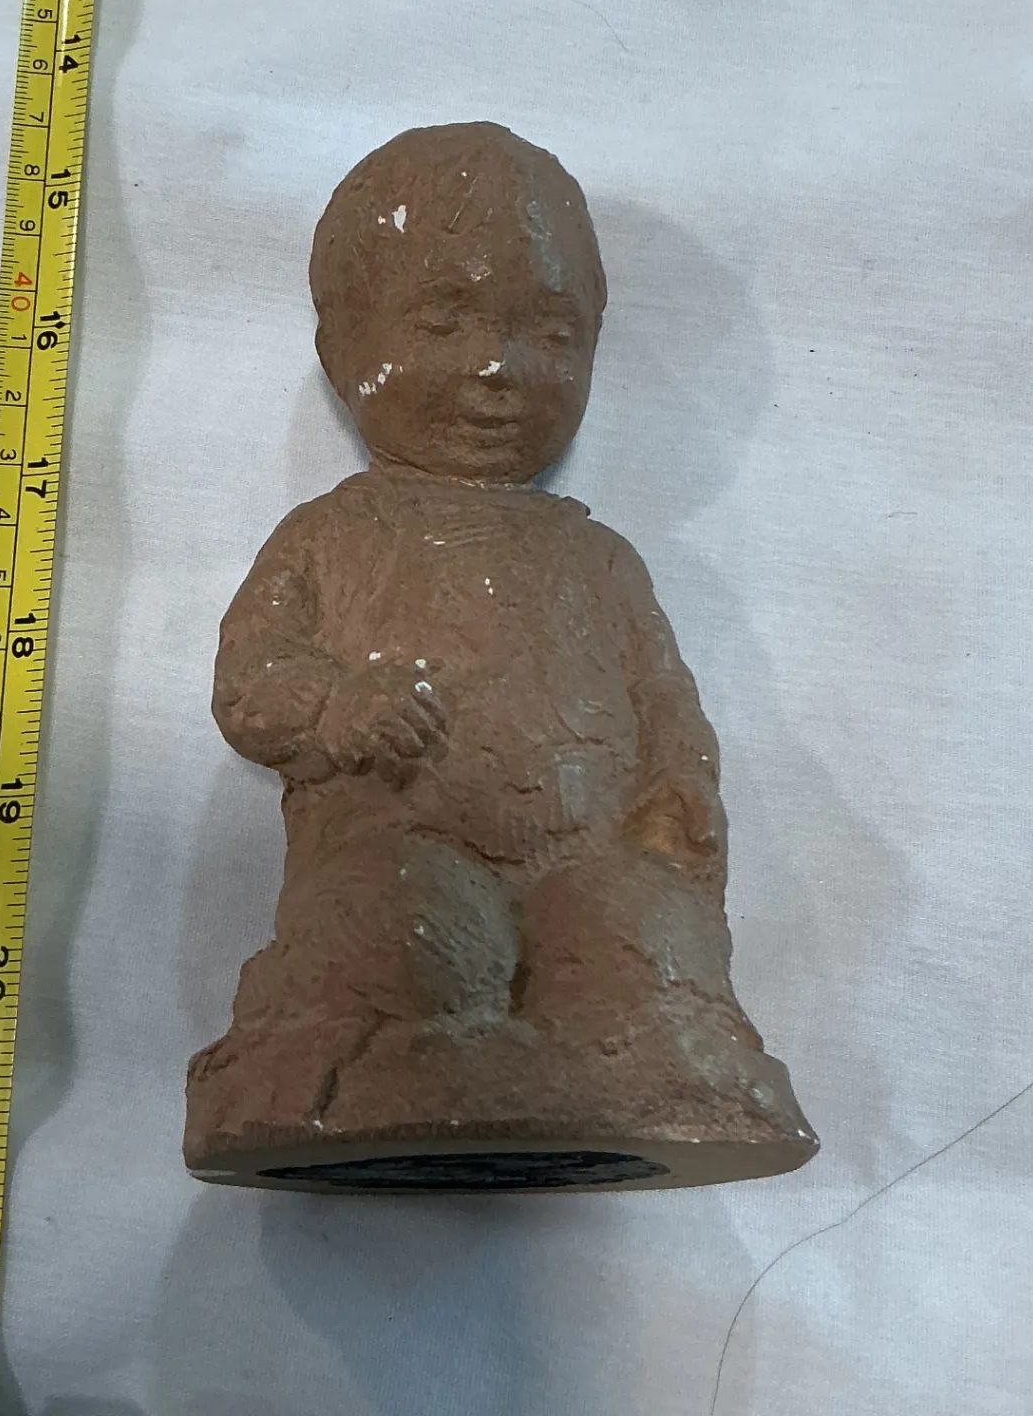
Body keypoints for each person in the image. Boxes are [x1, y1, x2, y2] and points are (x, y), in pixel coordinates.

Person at [185, 122, 814, 1189]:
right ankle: (385, 1068)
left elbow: (662, 692)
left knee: (643, 941)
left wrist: (679, 781)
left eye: (551, 334)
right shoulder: (332, 537)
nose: (496, 369)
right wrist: (334, 706)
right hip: (399, 850)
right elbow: (249, 682)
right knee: (407, 933)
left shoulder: (597, 558)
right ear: (344, 348)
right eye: (444, 323)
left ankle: (637, 1073)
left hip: (587, 857)